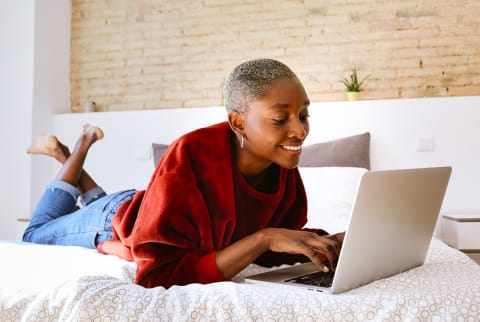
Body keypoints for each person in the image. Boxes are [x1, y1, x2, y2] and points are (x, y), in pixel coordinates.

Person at [24, 58, 344, 289]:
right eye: (280, 120)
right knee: (35, 233)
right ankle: (78, 147)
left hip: (148, 205)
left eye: (304, 115)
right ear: (238, 123)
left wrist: (325, 241)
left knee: (98, 202)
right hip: (114, 221)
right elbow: (156, 274)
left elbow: (274, 244)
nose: (299, 131)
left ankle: (71, 162)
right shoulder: (191, 152)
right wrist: (264, 238)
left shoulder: (278, 160)